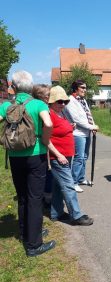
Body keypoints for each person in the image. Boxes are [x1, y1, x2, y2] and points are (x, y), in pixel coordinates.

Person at [0, 71, 56, 257]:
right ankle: (34, 244)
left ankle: (27, 233)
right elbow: (48, 124)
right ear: (31, 87)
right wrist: (45, 142)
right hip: (36, 155)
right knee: (35, 198)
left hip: (15, 156)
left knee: (22, 195)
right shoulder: (38, 104)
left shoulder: (7, 105)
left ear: (13, 87)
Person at [47, 86, 93, 225]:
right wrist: (58, 154)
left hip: (66, 155)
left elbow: (61, 129)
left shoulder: (61, 113)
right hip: (58, 157)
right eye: (59, 101)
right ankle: (76, 215)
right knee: (69, 186)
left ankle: (56, 213)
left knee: (57, 186)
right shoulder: (49, 114)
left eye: (64, 101)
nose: (62, 104)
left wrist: (70, 126)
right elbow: (46, 139)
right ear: (52, 101)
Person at [63, 80, 99, 193]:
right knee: (79, 158)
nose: (85, 90)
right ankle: (73, 182)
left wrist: (92, 126)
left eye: (85, 87)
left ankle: (80, 178)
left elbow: (88, 114)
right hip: (78, 134)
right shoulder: (70, 101)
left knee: (84, 157)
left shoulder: (82, 100)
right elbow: (76, 119)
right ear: (75, 88)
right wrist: (90, 127)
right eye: (82, 87)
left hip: (87, 132)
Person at [32, 84, 52, 203]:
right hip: (42, 144)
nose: (50, 97)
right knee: (47, 171)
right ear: (41, 96)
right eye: (48, 95)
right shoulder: (42, 106)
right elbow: (47, 125)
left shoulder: (29, 105)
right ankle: (47, 200)